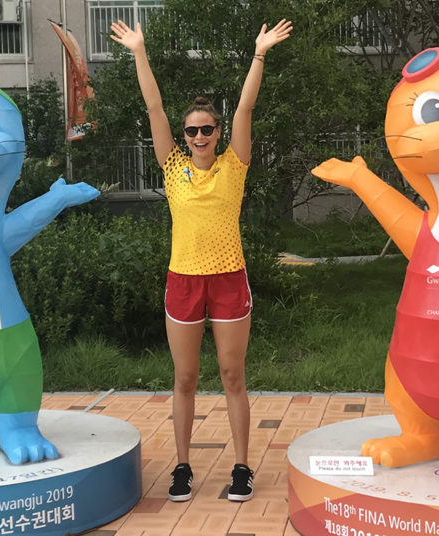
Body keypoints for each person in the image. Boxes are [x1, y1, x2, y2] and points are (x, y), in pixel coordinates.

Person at [110, 17, 291, 502]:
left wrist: (259, 54)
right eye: (192, 130)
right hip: (183, 282)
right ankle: (184, 467)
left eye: (207, 128)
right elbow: (153, 107)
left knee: (233, 375)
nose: (199, 135)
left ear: (217, 131)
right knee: (185, 378)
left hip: (229, 280)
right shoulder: (173, 168)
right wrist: (138, 51)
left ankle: (241, 467)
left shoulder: (235, 165)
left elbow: (247, 107)